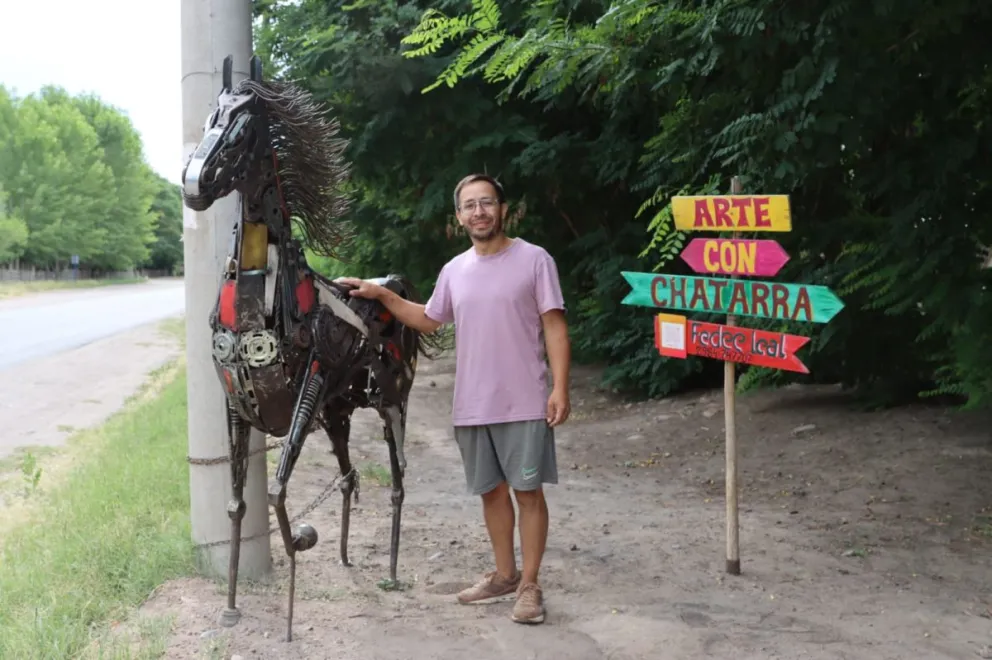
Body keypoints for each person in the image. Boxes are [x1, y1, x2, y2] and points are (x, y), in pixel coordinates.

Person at [336, 173, 571, 624]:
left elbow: (554, 325)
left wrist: (560, 387)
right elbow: (428, 319)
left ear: (503, 209)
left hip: (523, 400)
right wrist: (382, 293)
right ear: (459, 216)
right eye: (469, 205)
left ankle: (530, 586)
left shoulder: (535, 260)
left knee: (528, 493)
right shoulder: (455, 270)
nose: (479, 211)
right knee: (490, 493)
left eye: (487, 202)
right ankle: (505, 574)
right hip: (472, 403)